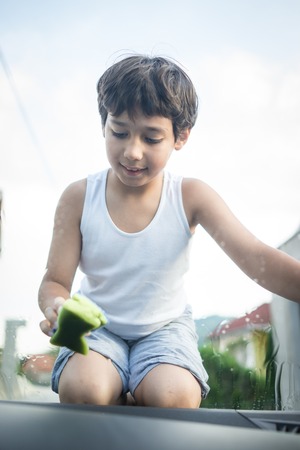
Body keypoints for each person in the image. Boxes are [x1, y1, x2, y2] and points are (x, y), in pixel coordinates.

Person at [38, 54, 300, 409]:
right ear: (103, 125)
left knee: (173, 398)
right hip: (97, 331)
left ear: (181, 136)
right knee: (85, 391)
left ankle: (132, 395)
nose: (132, 151)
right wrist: (57, 306)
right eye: (119, 133)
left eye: (151, 138)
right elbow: (55, 282)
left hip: (164, 330)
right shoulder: (79, 197)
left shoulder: (190, 196)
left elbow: (257, 259)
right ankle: (118, 394)